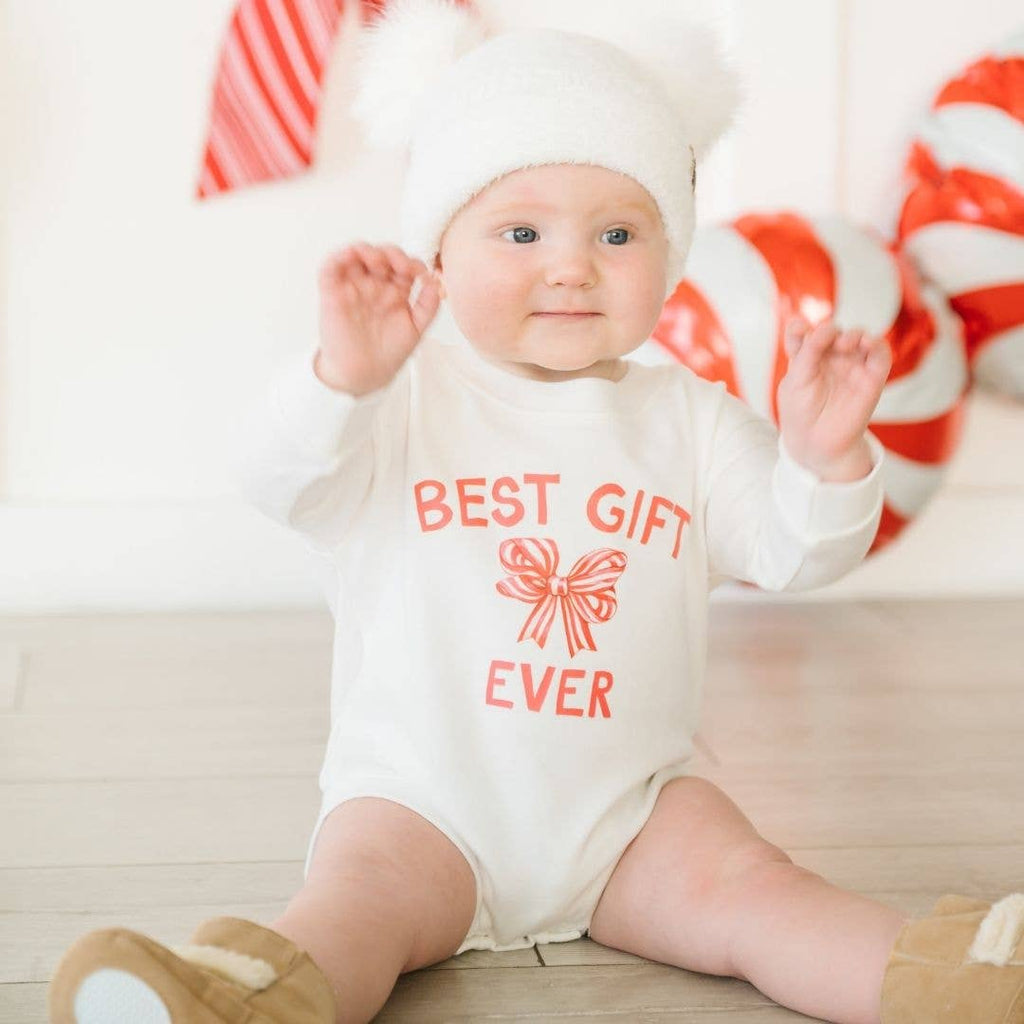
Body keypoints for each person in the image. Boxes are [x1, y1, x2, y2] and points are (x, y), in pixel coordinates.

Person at [48, 2, 1024, 1023]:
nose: (570, 265)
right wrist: (341, 379)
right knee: (349, 915)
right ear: (438, 250)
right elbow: (274, 478)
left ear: (670, 255)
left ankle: (950, 982)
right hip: (420, 811)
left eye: (618, 233)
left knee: (756, 890)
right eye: (521, 232)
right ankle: (233, 1000)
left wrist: (823, 459)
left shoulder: (689, 419)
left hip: (631, 818)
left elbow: (796, 552)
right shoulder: (400, 398)